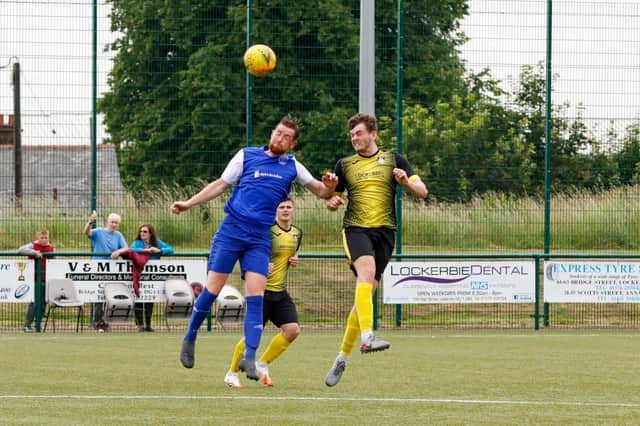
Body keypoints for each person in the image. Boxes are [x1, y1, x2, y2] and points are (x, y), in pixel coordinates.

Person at [171, 115, 337, 381]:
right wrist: (189, 203)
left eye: (286, 136)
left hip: (260, 238)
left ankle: (250, 357)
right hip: (232, 231)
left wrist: (330, 188)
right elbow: (220, 184)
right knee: (212, 290)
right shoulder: (246, 156)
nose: (279, 138)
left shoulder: (293, 166)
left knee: (256, 298)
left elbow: (322, 192)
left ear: (292, 144)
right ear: (271, 133)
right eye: (277, 133)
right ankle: (190, 337)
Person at [324, 113, 428, 387]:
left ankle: (342, 358)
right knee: (366, 274)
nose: (355, 139)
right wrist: (332, 200)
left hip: (386, 233)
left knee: (365, 295)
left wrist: (405, 182)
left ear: (373, 134)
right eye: (352, 135)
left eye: (359, 133)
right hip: (356, 229)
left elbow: (423, 191)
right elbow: (333, 197)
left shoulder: (395, 160)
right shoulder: (344, 165)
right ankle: (367, 336)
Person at [224, 198, 302, 388]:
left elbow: (292, 251)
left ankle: (262, 364)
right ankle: (231, 373)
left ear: (294, 210)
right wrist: (260, 263)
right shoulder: (266, 230)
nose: (285, 210)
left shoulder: (297, 233)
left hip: (280, 291)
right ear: (275, 211)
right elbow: (250, 250)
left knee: (292, 330)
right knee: (252, 336)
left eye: (288, 207)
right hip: (261, 292)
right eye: (281, 207)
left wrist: (294, 258)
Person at [113, 224, 174, 332]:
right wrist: (144, 251)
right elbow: (131, 250)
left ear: (150, 233)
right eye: (141, 231)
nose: (142, 233)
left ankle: (148, 325)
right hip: (138, 274)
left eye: (145, 232)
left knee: (150, 300)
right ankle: (140, 325)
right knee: (139, 300)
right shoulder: (137, 242)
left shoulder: (156, 243)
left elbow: (171, 250)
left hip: (152, 277)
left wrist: (159, 251)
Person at [83, 211, 128, 332]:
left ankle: (105, 322)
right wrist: (90, 221)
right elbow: (86, 232)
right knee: (98, 296)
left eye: (116, 223)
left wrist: (118, 252)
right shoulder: (98, 231)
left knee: (110, 296)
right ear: (108, 221)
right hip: (98, 268)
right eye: (112, 222)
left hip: (111, 269)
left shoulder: (118, 235)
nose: (114, 224)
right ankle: (97, 323)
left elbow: (125, 248)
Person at [18, 229, 55, 332]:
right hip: (34, 279)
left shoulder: (51, 248)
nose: (44, 240)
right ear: (37, 238)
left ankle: (37, 324)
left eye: (46, 237)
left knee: (43, 303)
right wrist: (35, 252)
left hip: (46, 280)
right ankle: (27, 325)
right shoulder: (33, 245)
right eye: (41, 238)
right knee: (34, 302)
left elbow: (55, 262)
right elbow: (20, 250)